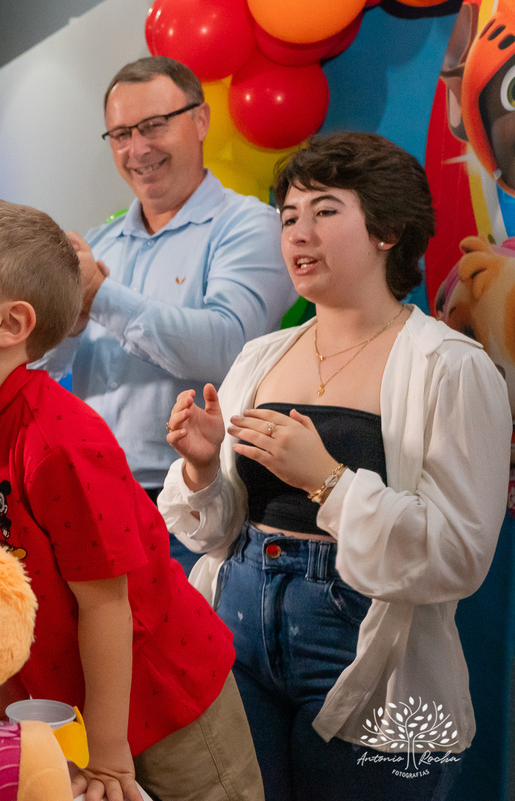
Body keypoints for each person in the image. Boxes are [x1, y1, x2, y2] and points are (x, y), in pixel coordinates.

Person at [159, 133, 510, 800]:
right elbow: (212, 530)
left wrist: (327, 480)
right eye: (289, 215)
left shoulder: (450, 365)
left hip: (376, 648)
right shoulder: (260, 357)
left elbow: (460, 555)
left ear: (388, 230)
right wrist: (204, 468)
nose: (299, 231)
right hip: (238, 629)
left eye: (325, 211)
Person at [0, 196, 264, 801]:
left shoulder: (58, 441)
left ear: (11, 325)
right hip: (56, 701)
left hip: (158, 700)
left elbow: (107, 606)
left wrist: (110, 751)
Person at [35, 56, 295, 574]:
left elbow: (228, 345)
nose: (138, 149)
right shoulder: (102, 240)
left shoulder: (250, 226)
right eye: (120, 134)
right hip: (92, 495)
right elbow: (41, 370)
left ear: (200, 121)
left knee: (184, 655)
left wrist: (100, 294)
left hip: (197, 502)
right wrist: (68, 321)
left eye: (154, 126)